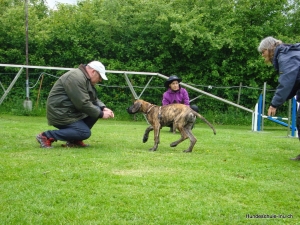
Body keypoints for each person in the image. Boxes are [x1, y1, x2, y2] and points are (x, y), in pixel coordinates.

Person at [36, 61, 114, 148]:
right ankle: (46, 136)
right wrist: (101, 114)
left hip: (70, 112)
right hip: (60, 113)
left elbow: (93, 99)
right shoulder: (76, 77)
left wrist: (103, 108)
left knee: (96, 110)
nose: (100, 80)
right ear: (93, 72)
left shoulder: (84, 78)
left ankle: (74, 140)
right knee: (84, 132)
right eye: (100, 77)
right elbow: (82, 103)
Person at [258, 36, 300, 160]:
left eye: (263, 52)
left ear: (269, 49)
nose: (262, 55)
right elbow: (293, 83)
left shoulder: (285, 57)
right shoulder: (288, 53)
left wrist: (274, 104)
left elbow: (286, 82)